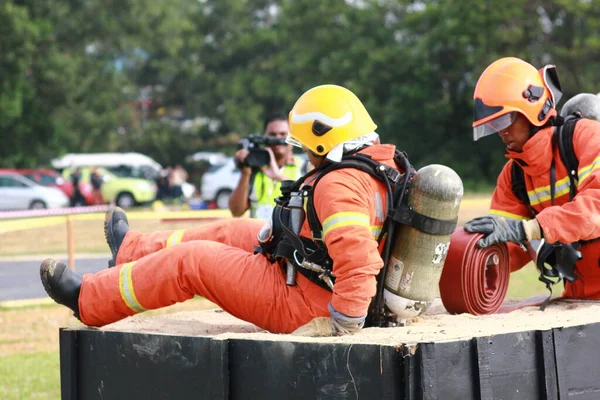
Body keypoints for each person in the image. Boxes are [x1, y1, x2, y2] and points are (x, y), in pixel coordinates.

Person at [39, 84, 410, 336]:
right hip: (308, 274)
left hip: (305, 300)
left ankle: (88, 300)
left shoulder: (339, 184)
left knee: (192, 261)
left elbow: (359, 262)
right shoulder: (381, 167)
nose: (304, 156)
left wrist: (344, 325)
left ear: (323, 141)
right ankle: (131, 251)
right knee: (230, 232)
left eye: (306, 148)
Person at [464, 57, 600, 299]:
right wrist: (471, 255)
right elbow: (510, 247)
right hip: (581, 298)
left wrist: (532, 228)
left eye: (505, 119)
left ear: (533, 109)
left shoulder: (586, 136)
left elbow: (595, 208)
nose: (501, 132)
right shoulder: (514, 175)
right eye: (494, 125)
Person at [229, 114, 304, 220]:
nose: (278, 139)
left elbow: (312, 199)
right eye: (272, 135)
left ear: (292, 137)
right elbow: (236, 212)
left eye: (283, 134)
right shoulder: (254, 169)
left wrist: (279, 176)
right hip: (257, 235)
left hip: (289, 235)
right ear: (264, 137)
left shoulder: (304, 167)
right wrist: (245, 172)